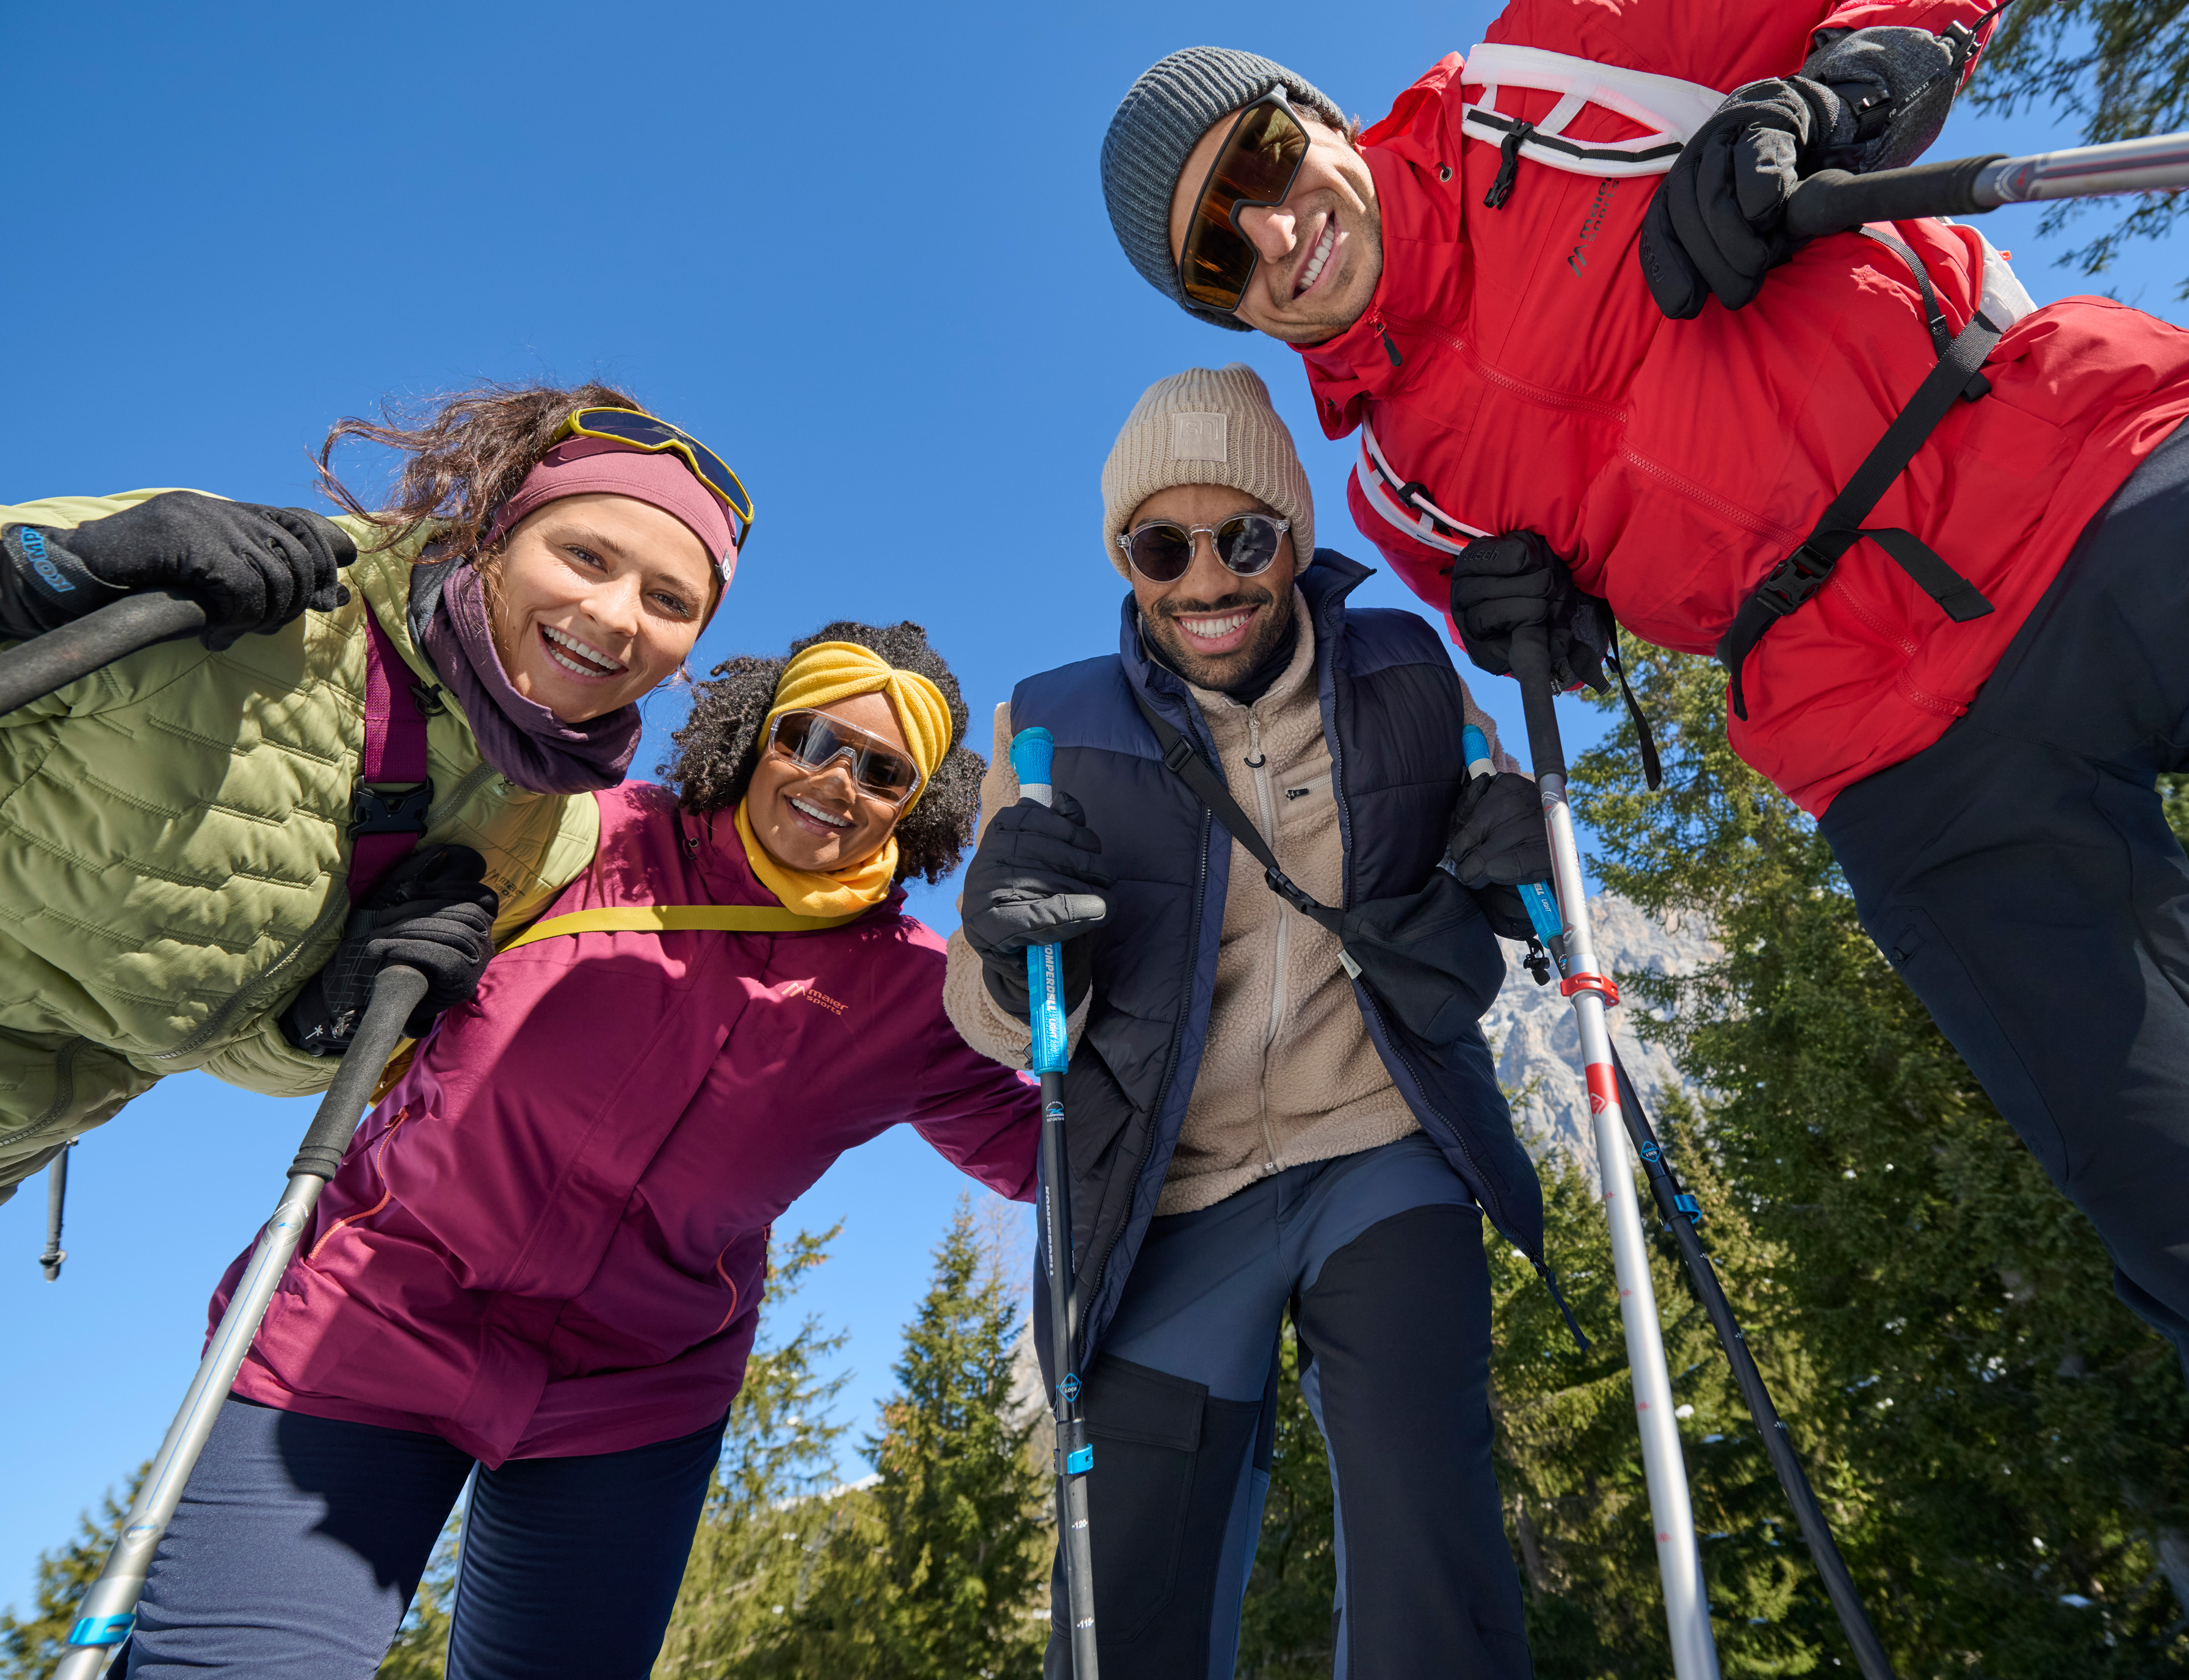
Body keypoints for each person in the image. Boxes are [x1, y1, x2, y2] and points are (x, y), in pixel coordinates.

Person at [1097, 9, 2189, 1675]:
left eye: (1262, 166)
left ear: (1314, 118)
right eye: (1217, 255)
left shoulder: (1548, 76)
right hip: (1898, 750)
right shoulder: (1403, 483)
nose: (1272, 234)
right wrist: (1533, 624)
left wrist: (1844, 90)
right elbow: (1546, 616)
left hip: (2098, 475)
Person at [118, 623, 1040, 1678]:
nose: (836, 780)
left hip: (636, 1395)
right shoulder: (585, 838)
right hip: (370, 1321)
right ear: (755, 736)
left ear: (914, 807)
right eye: (810, 739)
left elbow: (1049, 1153)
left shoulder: (914, 993)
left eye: (884, 770)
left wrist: (1098, 997)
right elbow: (324, 903)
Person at [944, 364, 1557, 1679]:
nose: (1208, 580)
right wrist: (1005, 947)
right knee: (1128, 1605)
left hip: (1382, 1142)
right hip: (1170, 1195)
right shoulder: (1048, 725)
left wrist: (1523, 856)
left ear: (1295, 541)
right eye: (1165, 546)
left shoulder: (1405, 667)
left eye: (1245, 537)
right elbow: (996, 1023)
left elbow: (1517, 852)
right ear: (1128, 559)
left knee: (1425, 1527)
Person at [0, 382, 750, 1198]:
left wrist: (330, 1023)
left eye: (670, 601)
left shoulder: (546, 833)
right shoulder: (244, 589)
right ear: (492, 535)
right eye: (586, 555)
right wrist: (51, 575)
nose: (615, 615)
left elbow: (206, 1048)